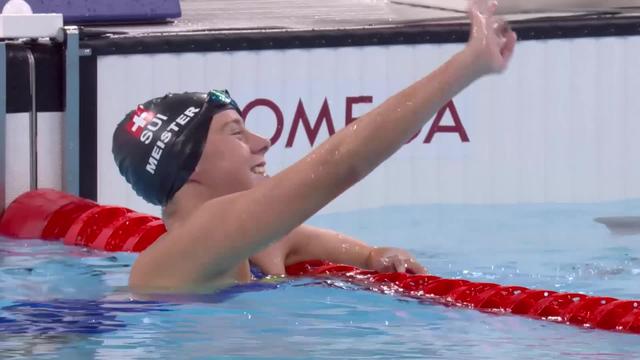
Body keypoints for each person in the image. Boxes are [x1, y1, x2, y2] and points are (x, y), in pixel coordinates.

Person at [112, 0, 517, 293]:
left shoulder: (264, 241)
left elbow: (344, 248)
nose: (262, 141)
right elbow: (340, 166)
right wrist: (468, 64)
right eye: (237, 133)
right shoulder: (187, 248)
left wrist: (377, 256)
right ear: (191, 164)